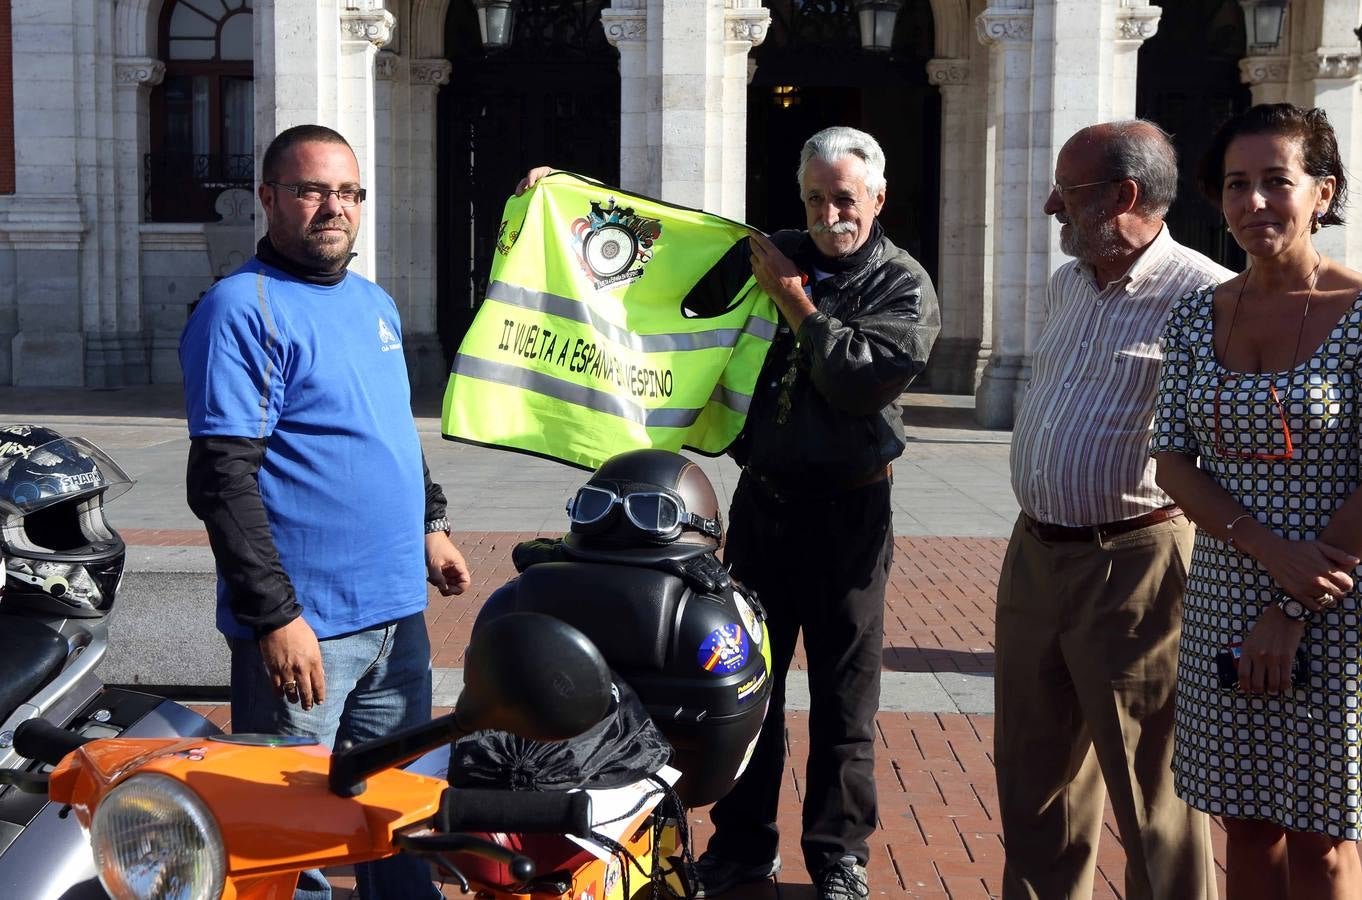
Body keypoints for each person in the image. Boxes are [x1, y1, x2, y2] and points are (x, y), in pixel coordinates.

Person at [515, 127, 939, 900]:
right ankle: (745, 848)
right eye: (814, 198)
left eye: (844, 197)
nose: (828, 213)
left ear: (877, 198)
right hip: (765, 505)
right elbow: (666, 257)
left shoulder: (902, 284)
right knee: (749, 684)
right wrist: (566, 196)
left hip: (851, 514)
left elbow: (859, 380)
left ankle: (839, 857)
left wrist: (794, 301)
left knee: (846, 700)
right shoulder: (771, 249)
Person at [180, 124, 470, 900]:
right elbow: (221, 479)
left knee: (397, 819)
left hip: (396, 615)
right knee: (286, 839)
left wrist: (429, 524)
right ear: (270, 197)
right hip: (308, 627)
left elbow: (388, 429)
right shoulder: (241, 309)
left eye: (348, 192)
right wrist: (276, 617)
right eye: (312, 190)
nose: (332, 208)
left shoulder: (373, 302)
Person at [995, 120, 1231, 900]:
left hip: (1133, 563)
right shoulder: (1068, 282)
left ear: (1126, 196)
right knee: (1035, 781)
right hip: (1035, 555)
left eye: (1070, 190)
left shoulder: (1203, 296)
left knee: (1152, 794)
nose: (1050, 205)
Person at [1152, 103, 1362, 900]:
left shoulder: (1360, 312)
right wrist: (1265, 553)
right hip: (1225, 595)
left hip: (1339, 601)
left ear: (1323, 191)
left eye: (1278, 181)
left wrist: (1294, 602)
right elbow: (1172, 458)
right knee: (1245, 823)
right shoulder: (1198, 312)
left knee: (1323, 837)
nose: (1255, 203)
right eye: (1237, 185)